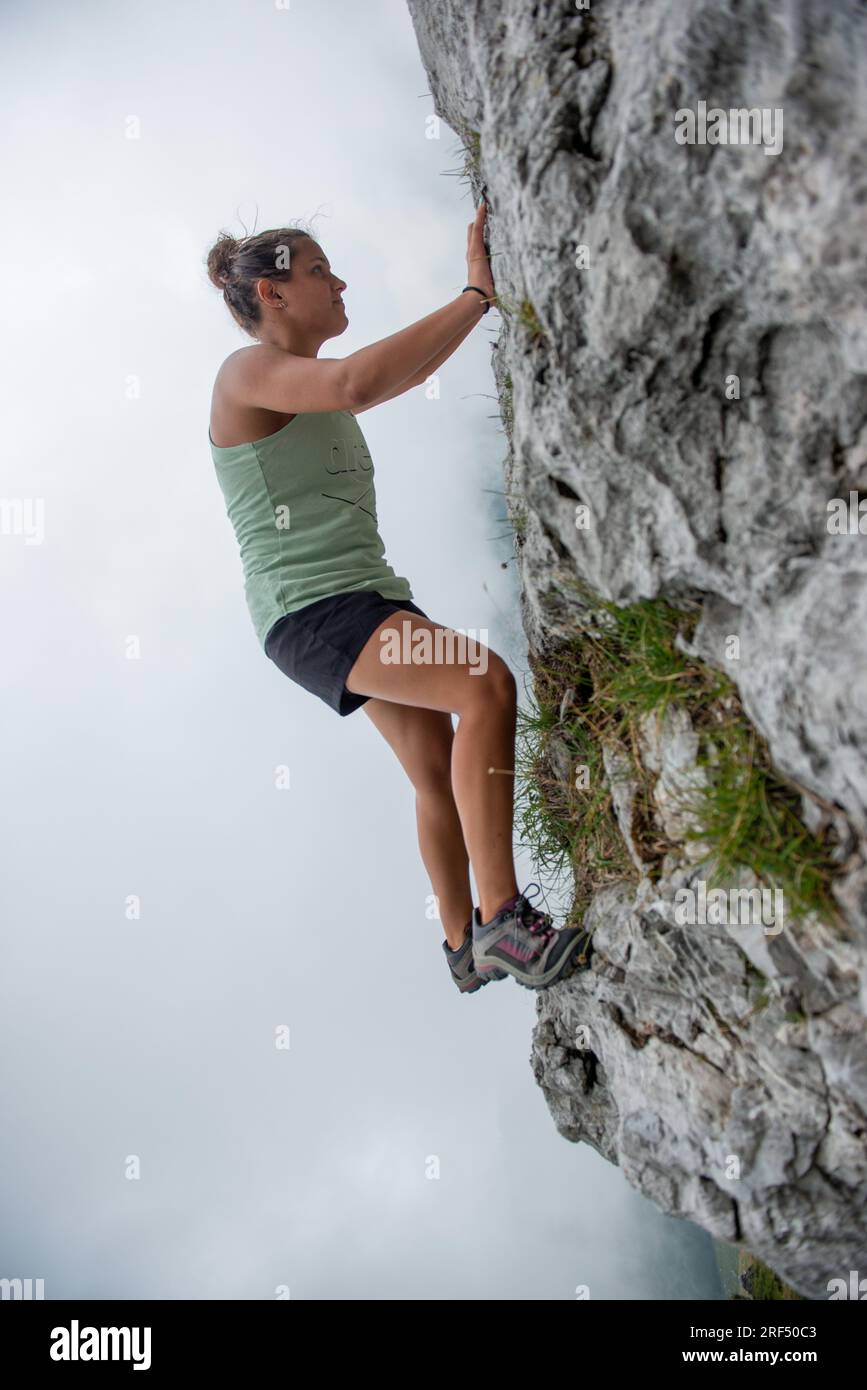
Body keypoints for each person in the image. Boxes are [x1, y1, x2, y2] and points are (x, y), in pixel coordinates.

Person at [205, 203, 592, 993]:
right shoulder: (245, 373)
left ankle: (462, 943)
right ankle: (504, 921)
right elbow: (359, 379)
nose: (339, 281)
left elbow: (394, 377)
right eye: (318, 271)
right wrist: (475, 295)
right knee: (483, 683)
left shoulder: (302, 385)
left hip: (359, 600)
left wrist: (475, 302)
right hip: (315, 609)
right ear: (272, 296)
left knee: (433, 762)